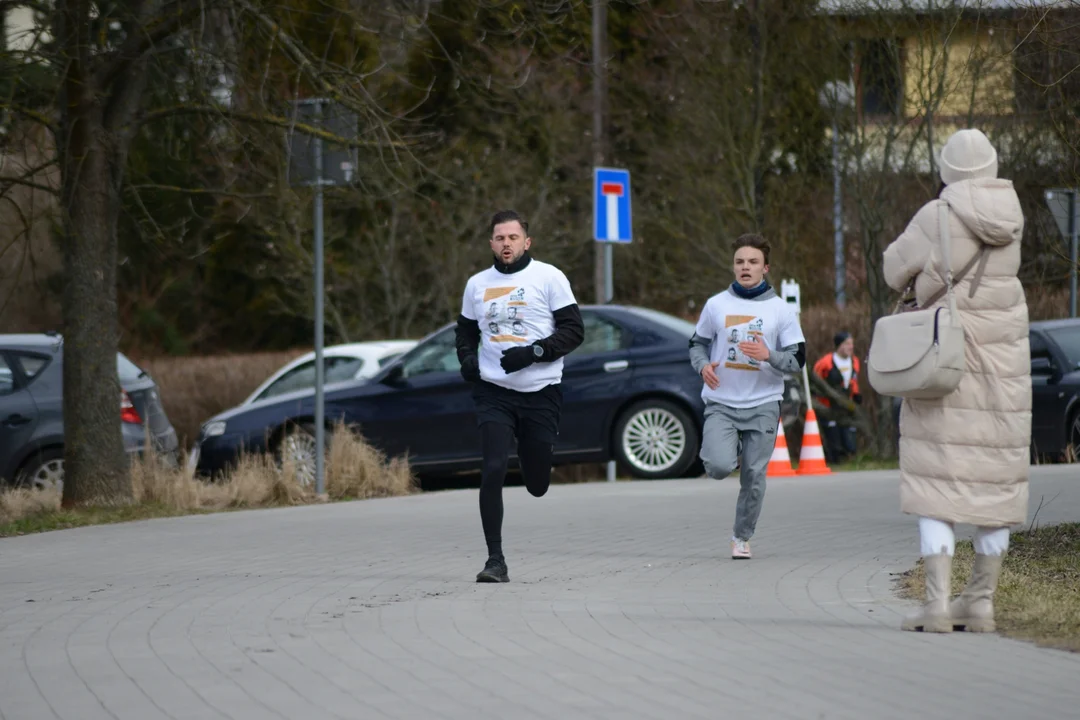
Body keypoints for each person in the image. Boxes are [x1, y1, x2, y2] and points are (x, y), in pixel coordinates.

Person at [883, 128, 1029, 633]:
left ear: (946, 170)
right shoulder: (1012, 217)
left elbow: (891, 270)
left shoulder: (935, 215)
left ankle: (938, 605)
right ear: (991, 166)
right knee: (995, 485)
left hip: (947, 365)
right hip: (1005, 371)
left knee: (935, 485)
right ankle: (981, 603)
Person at [455, 210, 585, 583]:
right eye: (499, 238)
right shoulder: (477, 284)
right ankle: (495, 560)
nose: (506, 244)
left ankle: (539, 458)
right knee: (493, 467)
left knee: (537, 484)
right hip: (493, 391)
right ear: (491, 243)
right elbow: (464, 332)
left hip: (541, 390)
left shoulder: (549, 277)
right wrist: (467, 358)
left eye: (513, 238)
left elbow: (574, 331)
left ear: (526, 242)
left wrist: (534, 353)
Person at [689, 234, 806, 559]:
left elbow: (798, 359)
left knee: (754, 477)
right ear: (734, 266)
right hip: (722, 402)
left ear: (765, 268)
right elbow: (696, 344)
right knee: (717, 465)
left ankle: (741, 537)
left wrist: (769, 355)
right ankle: (732, 448)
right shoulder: (716, 305)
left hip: (763, 404)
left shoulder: (780, 310)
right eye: (740, 261)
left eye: (753, 262)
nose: (745, 267)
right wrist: (702, 367)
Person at [812, 331, 862, 464]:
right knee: (832, 434)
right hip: (828, 405)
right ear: (839, 345)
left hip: (846, 404)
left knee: (848, 431)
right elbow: (816, 380)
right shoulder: (825, 362)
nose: (851, 347)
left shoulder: (855, 361)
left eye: (852, 344)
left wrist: (856, 394)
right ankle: (834, 458)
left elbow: (854, 380)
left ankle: (849, 457)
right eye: (847, 344)